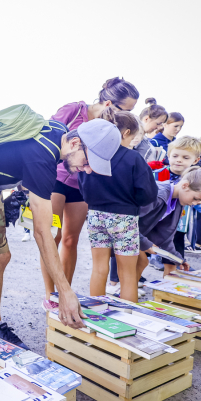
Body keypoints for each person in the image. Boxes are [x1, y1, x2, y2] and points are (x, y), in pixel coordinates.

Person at [0, 109, 122, 346]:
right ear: (76, 143)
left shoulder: (59, 131)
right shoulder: (43, 157)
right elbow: (43, 233)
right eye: (88, 162)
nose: (87, 170)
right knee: (1, 256)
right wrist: (64, 291)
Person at [39, 77, 139, 304]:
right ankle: (50, 294)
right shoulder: (74, 110)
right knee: (52, 235)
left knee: (70, 240)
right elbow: (48, 136)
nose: (128, 114)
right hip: (55, 179)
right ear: (108, 103)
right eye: (126, 108)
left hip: (81, 184)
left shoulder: (114, 127)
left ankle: (66, 292)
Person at [80, 109, 157, 303]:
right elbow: (148, 193)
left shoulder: (90, 155)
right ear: (126, 133)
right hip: (124, 217)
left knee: (98, 268)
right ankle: (128, 318)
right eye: (134, 137)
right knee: (128, 273)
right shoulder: (133, 158)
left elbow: (83, 187)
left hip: (95, 215)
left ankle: (97, 315)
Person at [137, 168, 201, 283]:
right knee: (138, 261)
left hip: (129, 236)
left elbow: (165, 237)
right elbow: (125, 222)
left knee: (140, 261)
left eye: (200, 202)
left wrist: (178, 259)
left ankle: (123, 291)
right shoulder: (158, 194)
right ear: (185, 185)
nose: (195, 204)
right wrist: (145, 243)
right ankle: (117, 289)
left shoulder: (177, 201)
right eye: (196, 199)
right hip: (114, 233)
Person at [162, 136, 201, 265]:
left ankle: (172, 280)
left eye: (185, 158)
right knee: (141, 255)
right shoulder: (155, 175)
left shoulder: (196, 179)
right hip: (153, 223)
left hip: (179, 224)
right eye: (175, 156)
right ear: (169, 155)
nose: (179, 160)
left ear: (196, 160)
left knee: (174, 257)